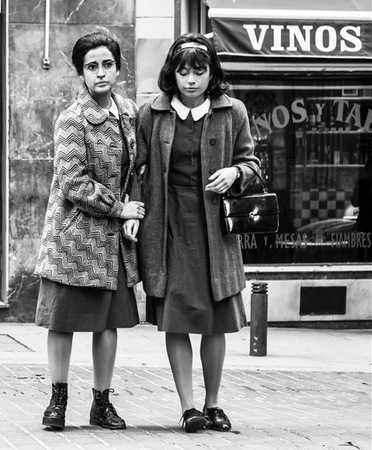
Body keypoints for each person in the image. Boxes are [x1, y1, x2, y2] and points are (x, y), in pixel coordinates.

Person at [132, 33, 260, 433]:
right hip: (168, 225)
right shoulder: (150, 113)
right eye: (183, 70)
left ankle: (214, 403)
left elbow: (253, 163)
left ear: (212, 73)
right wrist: (134, 210)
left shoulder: (232, 111)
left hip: (214, 230)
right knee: (176, 317)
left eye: (199, 71)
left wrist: (235, 172)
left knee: (215, 318)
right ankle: (189, 407)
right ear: (172, 72)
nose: (191, 79)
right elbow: (137, 168)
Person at [34, 32, 145, 431]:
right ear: (81, 73)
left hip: (113, 241)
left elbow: (140, 169)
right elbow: (73, 184)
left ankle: (101, 402)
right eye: (92, 66)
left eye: (107, 64)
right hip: (73, 239)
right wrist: (120, 208)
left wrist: (134, 210)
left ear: (118, 67)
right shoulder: (71, 119)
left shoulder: (130, 113)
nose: (101, 73)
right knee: (61, 322)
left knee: (108, 323)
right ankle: (57, 400)